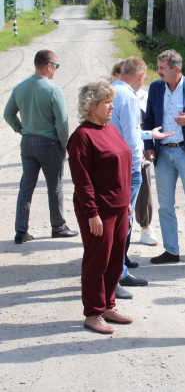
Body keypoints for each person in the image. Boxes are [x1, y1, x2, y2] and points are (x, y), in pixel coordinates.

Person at [67, 79, 134, 334]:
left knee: (116, 260)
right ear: (91, 106)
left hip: (119, 207)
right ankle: (93, 312)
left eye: (111, 102)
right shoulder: (82, 137)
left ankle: (108, 305)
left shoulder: (111, 130)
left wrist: (126, 203)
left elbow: (124, 168)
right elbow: (81, 180)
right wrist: (92, 214)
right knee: (98, 261)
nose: (111, 107)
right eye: (106, 103)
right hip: (98, 211)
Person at [110, 57, 174, 299]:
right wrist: (137, 166)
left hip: (115, 165)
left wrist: (150, 133)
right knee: (122, 224)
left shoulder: (114, 90)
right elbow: (129, 138)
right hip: (127, 168)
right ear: (139, 75)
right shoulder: (128, 97)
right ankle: (117, 275)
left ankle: (121, 269)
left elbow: (128, 129)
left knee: (121, 223)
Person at [3, 49, 78, 244]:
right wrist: (65, 146)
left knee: (26, 186)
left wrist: (21, 129)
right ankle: (58, 226)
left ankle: (21, 231)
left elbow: (8, 114)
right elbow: (62, 124)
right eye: (56, 66)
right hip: (49, 144)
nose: (56, 70)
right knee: (54, 186)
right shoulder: (54, 91)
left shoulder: (20, 88)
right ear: (48, 65)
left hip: (27, 143)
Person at [144, 50, 185, 265]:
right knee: (165, 205)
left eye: (162, 68)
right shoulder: (155, 87)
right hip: (163, 154)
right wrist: (148, 145)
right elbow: (149, 118)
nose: (158, 71)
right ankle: (171, 251)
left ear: (176, 70)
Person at [135, 86, 158, 245]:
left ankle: (145, 227)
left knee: (144, 191)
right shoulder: (114, 95)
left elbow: (148, 121)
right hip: (116, 152)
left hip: (139, 150)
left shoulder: (143, 95)